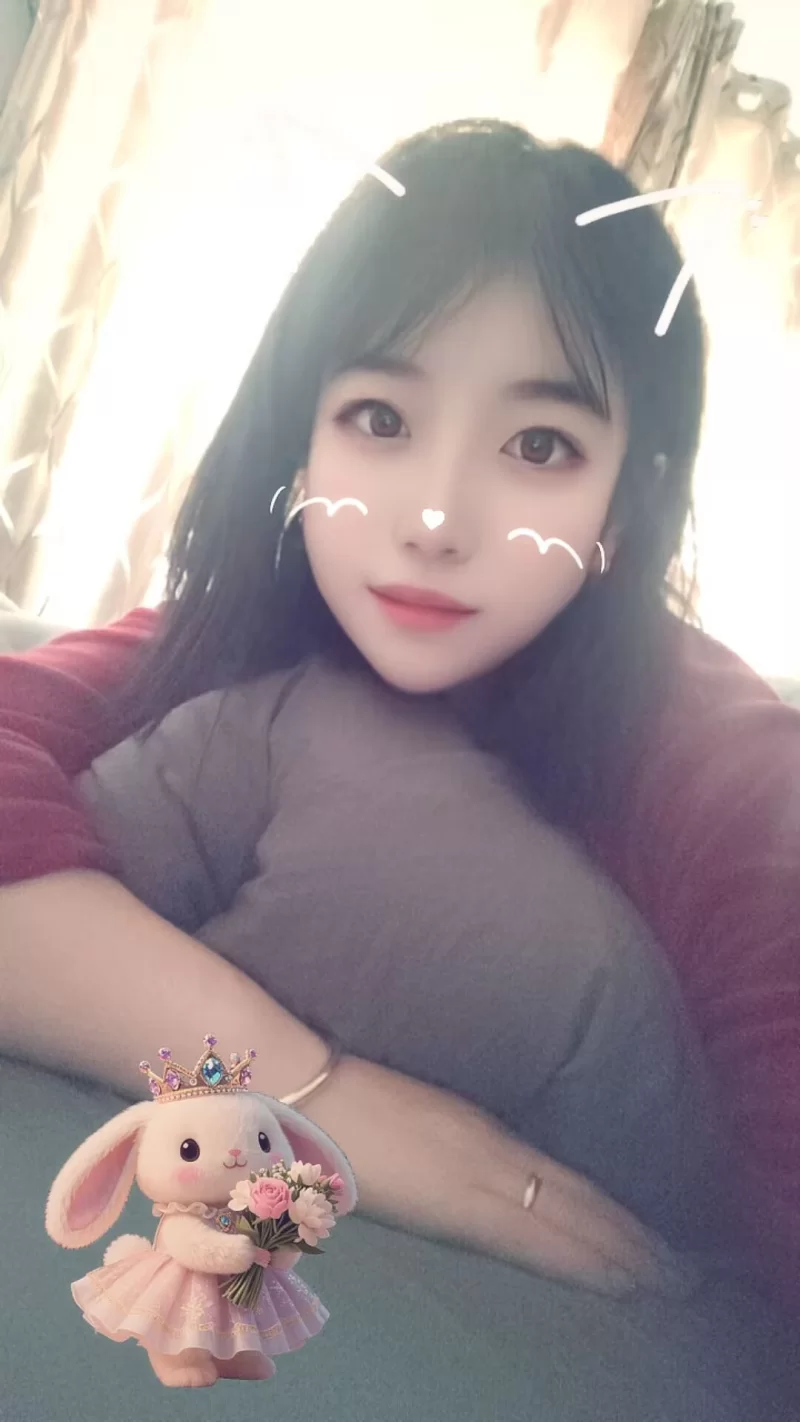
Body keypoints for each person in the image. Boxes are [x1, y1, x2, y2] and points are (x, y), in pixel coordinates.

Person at [1, 120, 799, 1417]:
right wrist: (322, 1097)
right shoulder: (238, 638)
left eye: (539, 446)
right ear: (300, 443)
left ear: (626, 498)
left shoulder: (731, 774)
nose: (435, 519)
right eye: (379, 418)